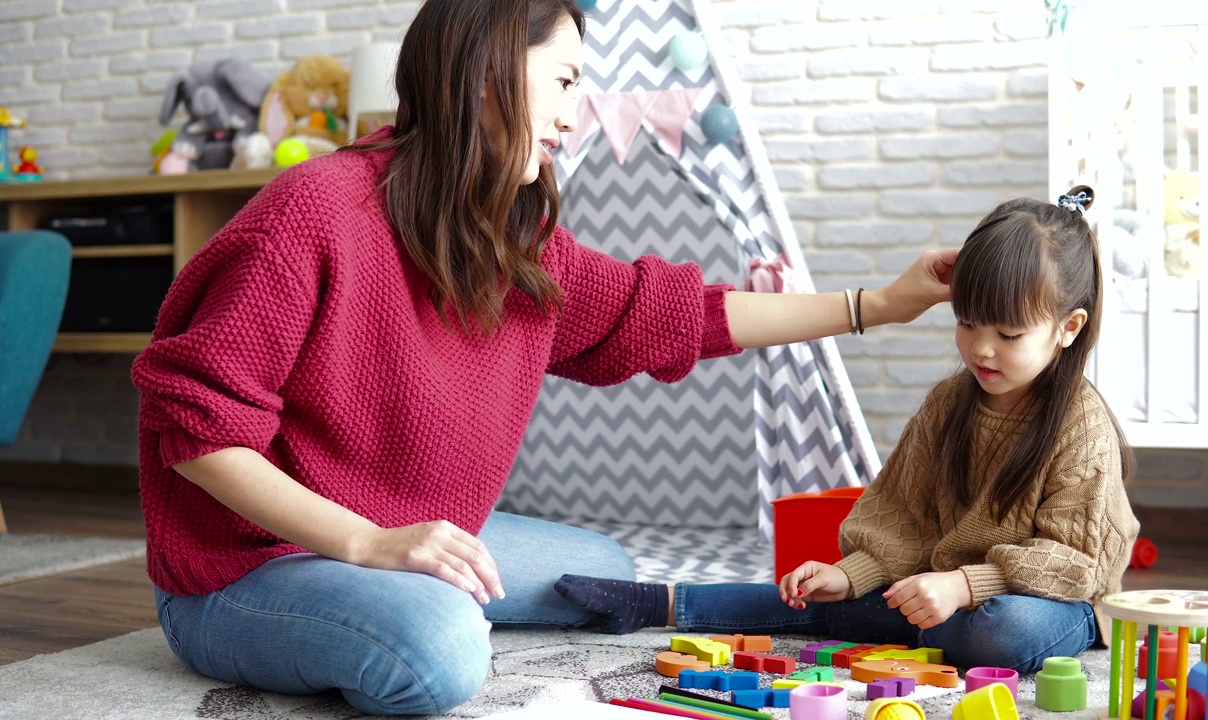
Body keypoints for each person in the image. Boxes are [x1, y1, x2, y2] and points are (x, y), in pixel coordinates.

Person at [129, 0, 957, 715]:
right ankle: (386, 607)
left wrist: (876, 307)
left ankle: (399, 591)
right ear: (488, 71)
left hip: (385, 529)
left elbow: (674, 313)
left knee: (603, 573)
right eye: (563, 82)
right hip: (243, 569)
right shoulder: (313, 214)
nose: (573, 113)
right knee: (443, 651)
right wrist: (371, 546)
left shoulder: (509, 243)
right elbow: (201, 437)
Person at [556, 186, 1142, 676]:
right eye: (966, 323)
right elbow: (902, 515)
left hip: (1056, 602)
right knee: (832, 598)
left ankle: (919, 621)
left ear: (1068, 328)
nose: (981, 348)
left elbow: (1075, 563)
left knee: (998, 632)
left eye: (1009, 335)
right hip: (945, 594)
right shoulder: (949, 403)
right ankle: (661, 602)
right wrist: (848, 573)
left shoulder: (1078, 424)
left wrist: (965, 585)